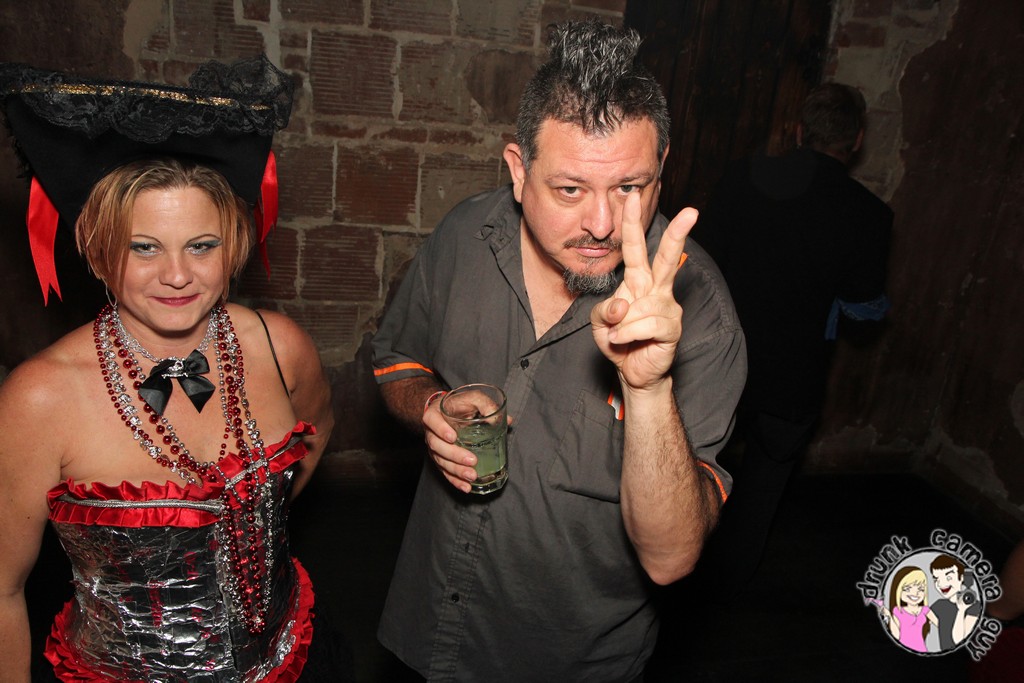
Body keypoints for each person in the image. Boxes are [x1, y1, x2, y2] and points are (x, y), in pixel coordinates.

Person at [371, 20, 745, 681]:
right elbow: (396, 359)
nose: (602, 224)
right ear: (520, 171)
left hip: (565, 662)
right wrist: (429, 405)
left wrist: (648, 388)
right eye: (570, 189)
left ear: (662, 171)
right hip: (428, 628)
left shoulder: (702, 313)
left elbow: (671, 558)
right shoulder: (466, 233)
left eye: (630, 187)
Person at [0, 57, 346, 681]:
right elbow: (2, 589)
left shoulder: (281, 347)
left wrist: (254, 526)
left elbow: (317, 431)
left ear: (232, 244)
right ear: (98, 249)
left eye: (201, 246)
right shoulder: (39, 398)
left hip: (288, 657)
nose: (178, 276)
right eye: (144, 247)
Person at [690, 83, 894, 588]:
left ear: (801, 131)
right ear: (856, 140)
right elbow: (864, 312)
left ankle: (677, 578)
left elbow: (698, 264)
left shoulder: (744, 176)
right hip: (794, 373)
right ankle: (729, 586)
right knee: (763, 487)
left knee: (689, 472)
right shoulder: (869, 213)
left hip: (720, 361)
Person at [929, 554, 982, 650]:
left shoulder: (974, 606)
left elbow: (958, 640)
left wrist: (961, 610)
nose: (941, 584)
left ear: (961, 578)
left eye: (948, 577)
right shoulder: (939, 605)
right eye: (936, 579)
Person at [886, 566, 938, 652]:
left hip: (921, 650)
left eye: (921, 589)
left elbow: (941, 625)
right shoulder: (898, 611)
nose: (915, 593)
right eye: (907, 589)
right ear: (898, 590)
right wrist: (889, 616)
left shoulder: (925, 610)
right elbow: (896, 636)